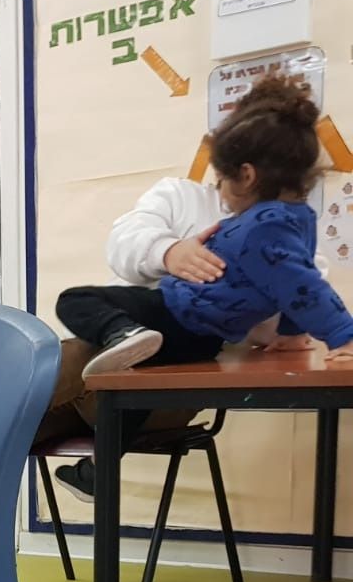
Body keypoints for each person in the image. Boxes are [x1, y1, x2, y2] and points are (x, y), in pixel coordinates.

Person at [51, 76, 353, 500]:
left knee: (58, 367)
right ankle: (86, 470)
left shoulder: (272, 229)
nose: (222, 190)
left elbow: (303, 288)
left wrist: (329, 334)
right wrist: (169, 251)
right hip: (115, 379)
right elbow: (124, 240)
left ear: (244, 171)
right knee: (50, 386)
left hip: (170, 382)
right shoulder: (183, 196)